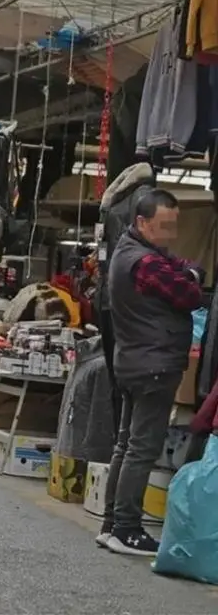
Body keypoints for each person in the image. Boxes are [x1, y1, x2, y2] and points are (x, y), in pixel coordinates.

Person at [99, 189, 204, 557]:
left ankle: (111, 524)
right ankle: (126, 528)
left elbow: (189, 268)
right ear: (141, 222)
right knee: (141, 450)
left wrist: (188, 271)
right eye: (164, 227)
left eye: (174, 226)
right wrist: (189, 275)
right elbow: (190, 294)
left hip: (133, 361)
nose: (170, 235)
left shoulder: (130, 253)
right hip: (154, 365)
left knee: (126, 446)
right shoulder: (146, 263)